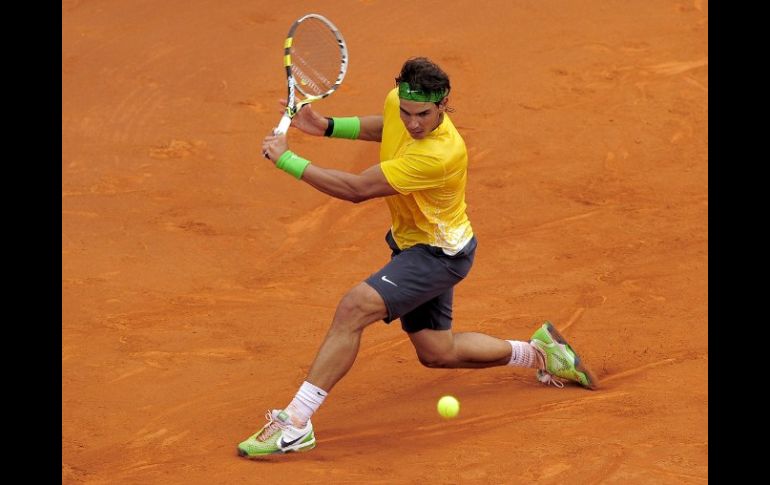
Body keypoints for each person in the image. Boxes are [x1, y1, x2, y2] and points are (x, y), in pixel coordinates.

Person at [238, 57, 598, 458]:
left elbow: (357, 189)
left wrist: (287, 160)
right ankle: (542, 353)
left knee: (354, 307)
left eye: (423, 114)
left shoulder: (439, 155)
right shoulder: (401, 103)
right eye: (407, 112)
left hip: (437, 255)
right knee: (437, 354)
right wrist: (327, 126)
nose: (413, 123)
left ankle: (294, 423)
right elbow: (387, 126)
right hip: (416, 244)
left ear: (443, 104)